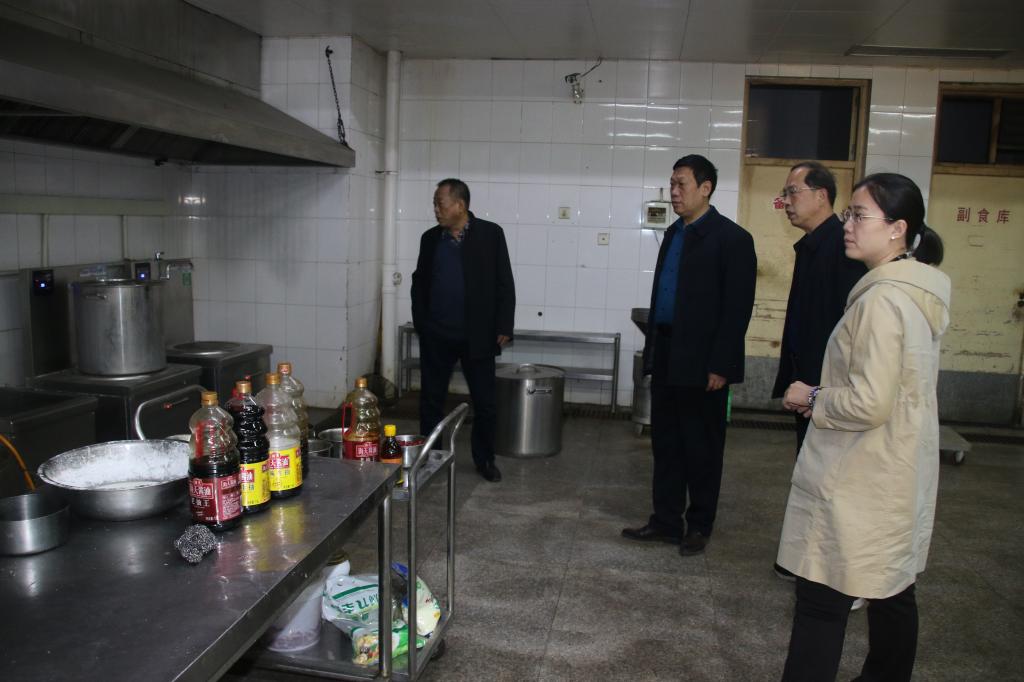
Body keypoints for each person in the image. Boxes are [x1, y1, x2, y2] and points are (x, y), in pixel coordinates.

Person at [777, 173, 949, 682]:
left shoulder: (881, 301)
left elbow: (870, 402)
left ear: (898, 228)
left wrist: (812, 397)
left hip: (858, 473)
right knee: (892, 586)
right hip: (896, 467)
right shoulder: (916, 293)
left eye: (858, 215)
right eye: (848, 214)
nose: (847, 225)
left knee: (821, 596)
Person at [622, 154, 757, 556]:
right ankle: (666, 521)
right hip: (668, 352)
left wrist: (721, 365)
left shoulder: (732, 239)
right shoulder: (674, 233)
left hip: (703, 362)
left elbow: (737, 310)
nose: (674, 192)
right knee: (666, 444)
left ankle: (699, 525)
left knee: (702, 447)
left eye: (681, 184)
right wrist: (652, 353)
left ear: (706, 188)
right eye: (672, 184)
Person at [771, 161, 867, 581]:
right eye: (785, 194)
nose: (786, 202)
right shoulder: (813, 245)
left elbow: (846, 332)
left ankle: (834, 569)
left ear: (822, 195)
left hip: (828, 393)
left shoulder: (841, 249)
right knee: (810, 473)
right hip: (809, 388)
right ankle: (807, 558)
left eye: (793, 192)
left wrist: (821, 390)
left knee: (830, 480)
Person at [411, 178, 515, 483]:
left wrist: (504, 325)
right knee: (431, 401)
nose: (436, 210)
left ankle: (485, 459)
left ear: (460, 205)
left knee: (485, 403)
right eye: (435, 204)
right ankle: (431, 458)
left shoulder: (491, 234)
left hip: (477, 336)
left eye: (440, 204)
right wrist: (422, 323)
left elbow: (504, 282)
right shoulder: (430, 239)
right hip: (437, 335)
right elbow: (420, 283)